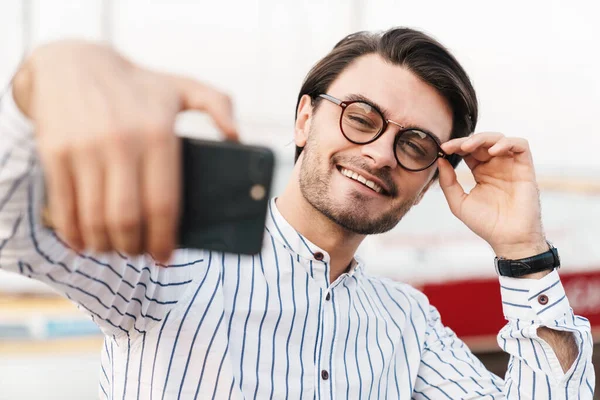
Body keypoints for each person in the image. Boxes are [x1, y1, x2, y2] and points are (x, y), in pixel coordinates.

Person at [0, 27, 593, 399]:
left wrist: (523, 250)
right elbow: (13, 227)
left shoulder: (408, 323)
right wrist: (47, 77)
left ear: (428, 183)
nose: (380, 153)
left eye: (414, 145)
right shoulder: (164, 263)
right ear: (305, 118)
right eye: (361, 117)